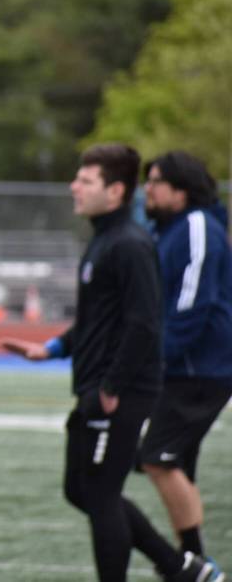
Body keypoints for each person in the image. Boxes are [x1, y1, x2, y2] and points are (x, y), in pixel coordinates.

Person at [0, 145, 225, 582]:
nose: (74, 187)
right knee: (80, 490)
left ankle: (179, 565)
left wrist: (112, 388)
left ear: (116, 190)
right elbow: (98, 320)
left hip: (118, 391)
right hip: (96, 385)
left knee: (102, 496)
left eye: (85, 181)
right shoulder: (106, 239)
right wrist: (52, 348)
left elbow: (143, 324)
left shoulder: (130, 244)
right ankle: (181, 567)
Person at [139, 151, 232, 561]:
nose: (148, 188)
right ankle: (192, 559)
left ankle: (194, 562)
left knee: (157, 459)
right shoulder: (170, 229)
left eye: (157, 181)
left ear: (182, 190)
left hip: (200, 368)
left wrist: (155, 358)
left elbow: (192, 303)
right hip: (187, 365)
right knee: (174, 463)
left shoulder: (196, 225)